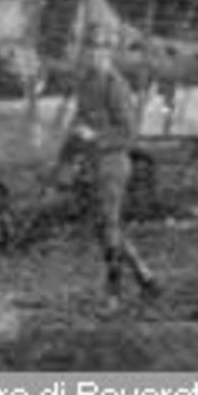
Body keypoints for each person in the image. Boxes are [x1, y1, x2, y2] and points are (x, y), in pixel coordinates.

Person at [56, 22, 161, 312]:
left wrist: (96, 137)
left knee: (109, 227)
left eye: (100, 49)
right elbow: (77, 125)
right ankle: (146, 277)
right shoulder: (87, 82)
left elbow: (129, 133)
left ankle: (113, 294)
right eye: (89, 48)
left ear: (109, 52)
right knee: (104, 228)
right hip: (91, 166)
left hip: (112, 165)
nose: (94, 54)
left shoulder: (115, 85)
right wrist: (64, 162)